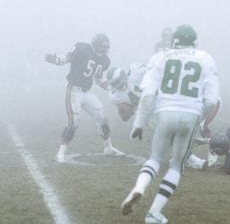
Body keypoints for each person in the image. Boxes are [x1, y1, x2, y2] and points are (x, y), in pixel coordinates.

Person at [121, 24, 220, 223]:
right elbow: (212, 100)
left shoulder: (161, 56)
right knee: (176, 165)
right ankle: (153, 213)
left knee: (155, 159)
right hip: (190, 113)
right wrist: (196, 118)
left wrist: (138, 124)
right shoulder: (205, 58)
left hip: (165, 112)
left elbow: (148, 95)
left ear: (174, 40)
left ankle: (139, 188)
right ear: (194, 41)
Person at [105, 64, 209, 170]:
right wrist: (124, 111)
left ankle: (184, 147)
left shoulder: (136, 71)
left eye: (117, 81)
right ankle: (190, 159)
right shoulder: (114, 95)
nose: (116, 85)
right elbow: (125, 117)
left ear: (123, 75)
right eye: (113, 83)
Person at [45, 33, 125, 163]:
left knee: (102, 117)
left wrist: (112, 88)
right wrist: (55, 60)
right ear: (94, 45)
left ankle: (108, 148)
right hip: (73, 90)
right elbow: (66, 58)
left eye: (106, 47)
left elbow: (99, 79)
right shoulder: (82, 48)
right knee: (75, 121)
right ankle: (60, 153)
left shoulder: (105, 60)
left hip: (86, 92)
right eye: (102, 47)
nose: (104, 50)